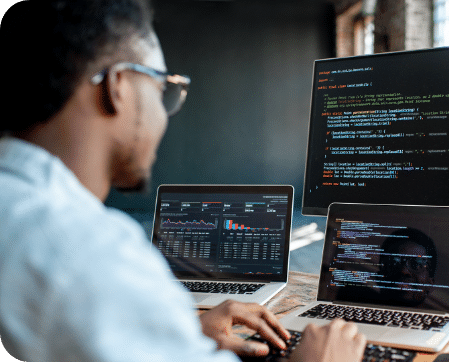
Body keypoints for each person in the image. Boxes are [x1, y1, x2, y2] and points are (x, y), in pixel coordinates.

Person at [0, 1, 366, 361]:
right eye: (163, 88)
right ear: (118, 86)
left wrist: (183, 338)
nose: (165, 113)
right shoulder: (92, 251)